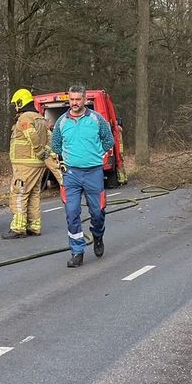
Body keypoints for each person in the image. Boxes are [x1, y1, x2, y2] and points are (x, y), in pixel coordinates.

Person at [51, 85, 114, 267]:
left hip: (93, 172)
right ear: (68, 100)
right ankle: (77, 251)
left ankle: (98, 235)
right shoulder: (62, 122)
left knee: (97, 212)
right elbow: (55, 145)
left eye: (78, 99)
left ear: (85, 100)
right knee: (71, 212)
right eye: (72, 99)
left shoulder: (96, 119)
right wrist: (68, 156)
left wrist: (96, 154)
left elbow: (108, 140)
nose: (75, 103)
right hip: (71, 174)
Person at [4, 88, 50, 239]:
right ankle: (34, 226)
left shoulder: (24, 118)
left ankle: (18, 227)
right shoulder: (40, 118)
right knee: (34, 194)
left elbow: (31, 135)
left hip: (25, 165)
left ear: (20, 102)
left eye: (15, 104)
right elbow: (48, 138)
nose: (15, 108)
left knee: (19, 194)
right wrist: (44, 154)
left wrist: (38, 150)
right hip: (37, 164)